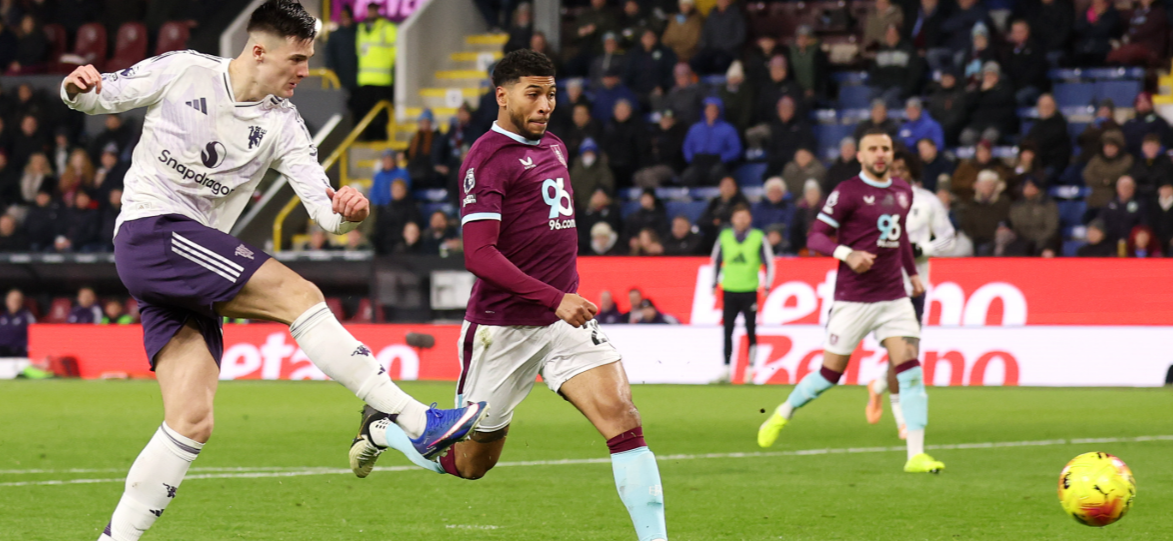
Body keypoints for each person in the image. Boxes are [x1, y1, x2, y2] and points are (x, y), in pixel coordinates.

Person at [60, 4, 487, 539]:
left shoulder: (284, 123)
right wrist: (76, 87)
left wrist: (349, 211)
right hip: (152, 231)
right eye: (298, 58)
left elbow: (324, 209)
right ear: (259, 51)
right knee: (297, 293)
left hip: (186, 264)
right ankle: (415, 421)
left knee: (191, 420)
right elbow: (95, 95)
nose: (305, 71)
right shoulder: (183, 70)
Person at [350, 50, 668, 541]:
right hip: (503, 329)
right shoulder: (487, 159)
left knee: (625, 423)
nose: (546, 105)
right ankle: (383, 430)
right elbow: (479, 255)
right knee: (468, 464)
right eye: (534, 94)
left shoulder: (556, 147)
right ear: (503, 96)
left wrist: (560, 301)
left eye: (552, 94)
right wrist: (552, 297)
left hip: (564, 323)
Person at [758, 128, 944, 474]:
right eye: (872, 148)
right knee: (831, 374)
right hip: (854, 299)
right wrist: (847, 253)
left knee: (911, 370)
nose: (880, 154)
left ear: (892, 154)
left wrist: (912, 274)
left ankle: (915, 455)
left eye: (885, 148)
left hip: (894, 296)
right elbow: (815, 235)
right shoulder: (847, 192)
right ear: (859, 155)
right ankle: (783, 412)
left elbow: (899, 236)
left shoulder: (903, 191)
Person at [866, 147, 953, 439]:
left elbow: (948, 239)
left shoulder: (927, 201)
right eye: (893, 168)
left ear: (912, 171)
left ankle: (879, 387)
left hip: (914, 287)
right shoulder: (874, 201)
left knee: (904, 353)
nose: (897, 173)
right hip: (882, 286)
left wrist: (922, 249)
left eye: (903, 169)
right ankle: (902, 418)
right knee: (902, 353)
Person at [711, 204, 775, 384]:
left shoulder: (758, 237)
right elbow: (716, 260)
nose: (741, 220)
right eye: (738, 217)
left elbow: (769, 262)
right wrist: (713, 283)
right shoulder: (724, 237)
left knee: (751, 330)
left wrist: (767, 286)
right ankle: (726, 369)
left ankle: (751, 370)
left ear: (750, 219)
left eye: (745, 217)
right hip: (729, 289)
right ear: (732, 219)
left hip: (749, 290)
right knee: (728, 330)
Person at [355, 2, 397, 140]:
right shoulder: (361, 29)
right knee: (365, 112)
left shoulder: (387, 28)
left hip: (382, 79)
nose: (371, 13)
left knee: (381, 114)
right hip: (364, 79)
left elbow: (396, 52)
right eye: (369, 10)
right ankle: (368, 137)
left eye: (373, 10)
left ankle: (381, 137)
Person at [681, 96, 741, 187]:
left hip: (718, 161)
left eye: (714, 110)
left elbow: (735, 149)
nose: (711, 112)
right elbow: (687, 146)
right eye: (708, 109)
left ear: (719, 111)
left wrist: (722, 158)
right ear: (704, 111)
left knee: (717, 174)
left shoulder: (728, 129)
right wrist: (691, 159)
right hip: (698, 161)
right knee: (688, 177)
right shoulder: (695, 128)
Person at [0, 288, 34, 356]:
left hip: (20, 353)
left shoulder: (26, 317)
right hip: (3, 352)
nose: (14, 302)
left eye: (17, 300)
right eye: (12, 300)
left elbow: (35, 333)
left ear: (21, 302)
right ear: (7, 301)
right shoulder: (2, 317)